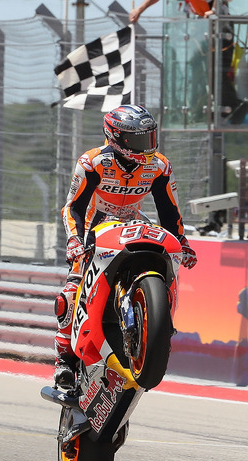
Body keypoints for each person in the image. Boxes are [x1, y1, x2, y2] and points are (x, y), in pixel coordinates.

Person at [53, 104, 198, 389]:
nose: (147, 146)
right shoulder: (92, 162)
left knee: (164, 257)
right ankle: (65, 362)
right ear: (116, 138)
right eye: (138, 140)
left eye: (150, 137)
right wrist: (74, 241)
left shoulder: (158, 165)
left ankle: (156, 330)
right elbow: (73, 208)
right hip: (94, 231)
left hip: (133, 225)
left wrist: (182, 242)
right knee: (71, 292)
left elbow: (169, 211)